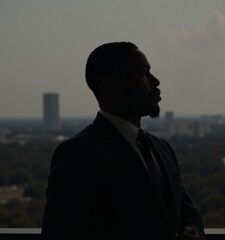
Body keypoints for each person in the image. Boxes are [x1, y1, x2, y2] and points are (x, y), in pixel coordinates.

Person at [41, 42, 206, 240]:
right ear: (112, 84)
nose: (156, 81)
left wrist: (193, 231)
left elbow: (189, 213)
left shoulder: (163, 149)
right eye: (143, 73)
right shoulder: (77, 155)